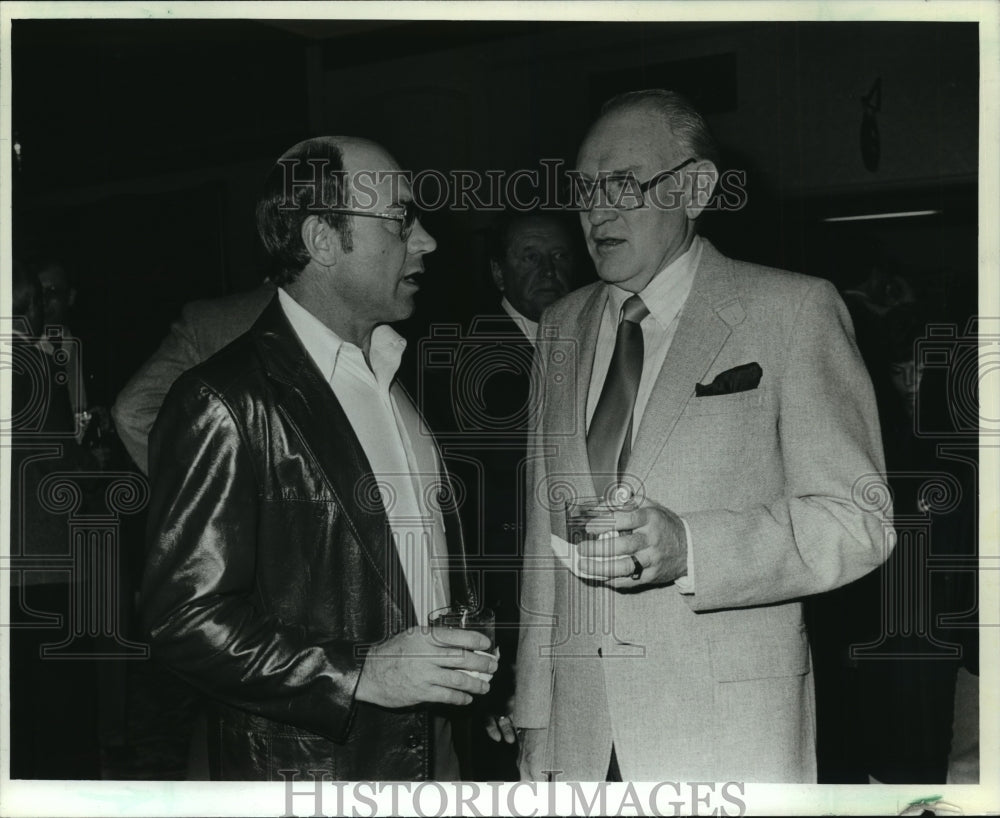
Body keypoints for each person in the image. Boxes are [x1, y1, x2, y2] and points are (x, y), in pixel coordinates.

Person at [512, 89, 893, 783]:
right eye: (585, 187)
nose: (597, 209)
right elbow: (546, 536)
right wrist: (536, 713)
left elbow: (859, 522)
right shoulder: (561, 327)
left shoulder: (791, 310)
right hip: (583, 735)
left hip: (727, 732)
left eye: (623, 184)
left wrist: (692, 546)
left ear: (695, 187)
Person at [140, 136, 497, 781]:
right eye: (400, 219)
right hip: (316, 767)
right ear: (324, 241)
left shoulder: (395, 375)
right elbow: (183, 619)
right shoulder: (224, 399)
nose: (427, 241)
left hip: (439, 744)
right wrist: (360, 672)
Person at [443, 210, 581, 778]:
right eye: (530, 256)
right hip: (509, 616)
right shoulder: (464, 358)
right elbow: (469, 522)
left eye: (559, 256)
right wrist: (498, 668)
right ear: (499, 274)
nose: (550, 270)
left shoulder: (590, 338)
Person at [112, 282, 275, 474]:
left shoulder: (214, 323)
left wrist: (211, 488)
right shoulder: (219, 323)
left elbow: (132, 412)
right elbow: (132, 412)